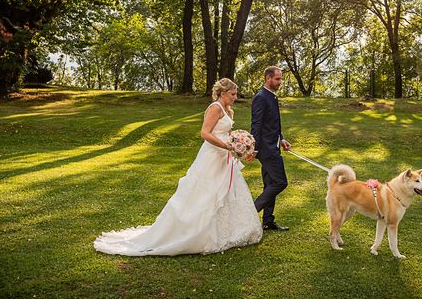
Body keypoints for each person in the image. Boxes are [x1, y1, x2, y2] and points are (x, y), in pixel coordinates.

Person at [94, 78, 262, 256]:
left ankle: (228, 231)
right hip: (212, 156)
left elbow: (227, 134)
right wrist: (226, 146)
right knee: (206, 193)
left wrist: (240, 148)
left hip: (224, 157)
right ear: (222, 93)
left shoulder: (228, 110)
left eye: (235, 94)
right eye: (232, 94)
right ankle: (195, 232)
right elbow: (204, 133)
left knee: (228, 192)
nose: (235, 97)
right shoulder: (215, 108)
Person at [252, 66, 292, 231]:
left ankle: (268, 221)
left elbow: (272, 124)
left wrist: (281, 139)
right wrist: (253, 148)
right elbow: (257, 124)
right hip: (266, 149)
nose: (280, 82)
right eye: (277, 79)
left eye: (281, 79)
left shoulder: (272, 97)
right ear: (268, 79)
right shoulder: (261, 97)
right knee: (280, 182)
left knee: (270, 183)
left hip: (274, 146)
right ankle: (251, 211)